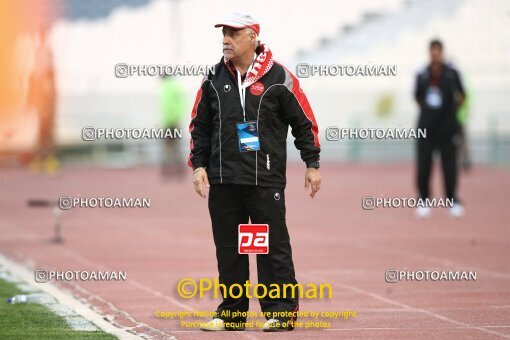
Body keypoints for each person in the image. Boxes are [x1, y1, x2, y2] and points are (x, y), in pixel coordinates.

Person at [188, 12, 321, 332]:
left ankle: (281, 312)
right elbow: (199, 126)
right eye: (223, 33)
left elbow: (304, 122)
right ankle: (232, 315)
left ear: (252, 37)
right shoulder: (213, 78)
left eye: (233, 33)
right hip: (223, 179)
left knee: (269, 247)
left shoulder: (279, 78)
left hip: (264, 179)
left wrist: (312, 163)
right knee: (229, 249)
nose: (225, 40)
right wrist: (199, 165)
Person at [414, 39, 466, 218]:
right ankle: (423, 201)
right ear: (429, 53)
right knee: (424, 166)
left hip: (447, 127)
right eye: (432, 52)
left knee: (450, 166)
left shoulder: (452, 74)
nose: (435, 55)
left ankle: (452, 201)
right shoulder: (422, 74)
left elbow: (462, 95)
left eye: (438, 51)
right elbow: (417, 97)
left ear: (442, 52)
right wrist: (430, 113)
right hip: (426, 128)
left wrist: (450, 112)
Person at [159, 75, 186, 178]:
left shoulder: (165, 87)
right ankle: (179, 170)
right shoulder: (176, 86)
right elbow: (181, 104)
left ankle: (167, 171)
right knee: (176, 147)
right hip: (175, 121)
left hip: (168, 122)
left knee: (167, 147)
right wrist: (177, 117)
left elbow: (167, 105)